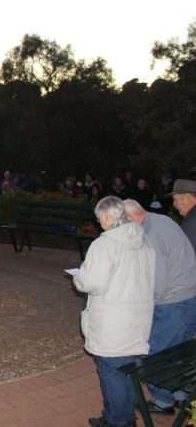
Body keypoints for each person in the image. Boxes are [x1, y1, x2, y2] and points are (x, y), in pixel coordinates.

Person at [73, 196, 155, 427]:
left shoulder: (105, 244)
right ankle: (125, 416)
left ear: (108, 216)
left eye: (99, 218)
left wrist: (79, 277)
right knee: (127, 370)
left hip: (114, 320)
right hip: (138, 317)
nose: (99, 223)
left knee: (111, 371)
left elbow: (93, 283)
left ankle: (117, 420)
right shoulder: (144, 240)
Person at [124, 199, 196, 415]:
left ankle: (163, 401)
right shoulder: (161, 219)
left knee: (154, 353)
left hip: (173, 303)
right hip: (190, 296)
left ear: (130, 218)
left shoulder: (150, 235)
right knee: (177, 350)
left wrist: (143, 307)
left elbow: (158, 281)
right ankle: (181, 395)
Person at [171, 178, 196, 250]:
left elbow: (187, 255)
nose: (174, 204)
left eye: (175, 199)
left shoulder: (192, 220)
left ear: (187, 197)